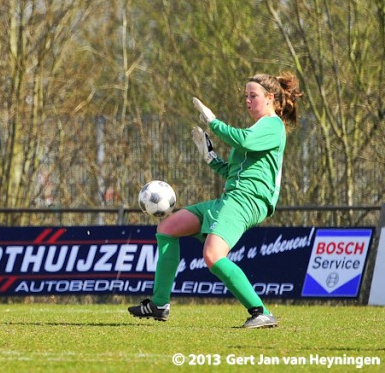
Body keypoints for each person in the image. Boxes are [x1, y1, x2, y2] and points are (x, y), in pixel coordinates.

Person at [128, 71, 301, 328]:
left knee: (212, 255)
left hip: (247, 201)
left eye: (253, 96)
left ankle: (260, 312)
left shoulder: (272, 126)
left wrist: (213, 122)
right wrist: (210, 158)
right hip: (232, 197)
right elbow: (234, 173)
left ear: (270, 98)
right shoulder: (257, 128)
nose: (248, 101)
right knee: (167, 228)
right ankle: (159, 303)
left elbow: (243, 140)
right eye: (246, 96)